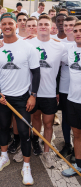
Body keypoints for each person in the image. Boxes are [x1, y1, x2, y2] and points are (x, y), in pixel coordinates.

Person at [0, 12, 40, 185]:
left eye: (10, 23)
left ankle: (26, 166)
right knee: (4, 128)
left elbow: (36, 73)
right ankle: (4, 157)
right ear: (1, 26)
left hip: (23, 98)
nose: (7, 26)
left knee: (24, 132)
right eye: (4, 24)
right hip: (3, 98)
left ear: (16, 25)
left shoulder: (27, 48)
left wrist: (33, 95)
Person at [28, 15, 67, 168]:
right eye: (41, 24)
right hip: (33, 92)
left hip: (50, 92)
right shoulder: (28, 42)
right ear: (36, 27)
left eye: (46, 24)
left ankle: (46, 153)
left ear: (52, 28)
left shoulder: (60, 46)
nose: (43, 26)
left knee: (48, 124)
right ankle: (35, 143)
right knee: (35, 120)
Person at [62, 21, 81, 177]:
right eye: (75, 30)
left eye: (80, 30)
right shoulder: (69, 49)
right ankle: (78, 165)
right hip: (73, 100)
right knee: (77, 135)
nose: (78, 33)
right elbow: (50, 42)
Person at [58, 16, 77, 163]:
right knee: (66, 117)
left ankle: (78, 148)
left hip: (78, 89)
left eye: (72, 25)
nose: (69, 28)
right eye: (66, 25)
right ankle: (67, 144)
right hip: (65, 87)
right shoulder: (59, 43)